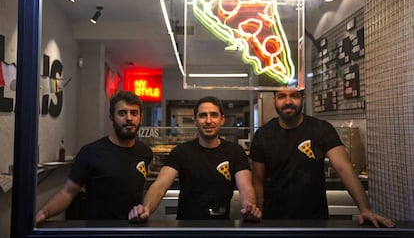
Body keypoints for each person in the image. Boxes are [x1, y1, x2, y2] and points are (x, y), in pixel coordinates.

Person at [249, 89, 395, 227]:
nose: (288, 101)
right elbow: (257, 181)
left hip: (315, 221)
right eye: (282, 96)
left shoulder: (322, 129)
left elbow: (344, 168)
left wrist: (365, 209)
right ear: (274, 100)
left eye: (294, 96)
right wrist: (260, 218)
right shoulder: (263, 135)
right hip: (274, 222)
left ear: (303, 99)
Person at [128, 96, 261, 222]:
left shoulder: (235, 152)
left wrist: (250, 207)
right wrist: (146, 209)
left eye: (214, 115)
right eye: (203, 115)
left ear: (222, 120)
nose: (208, 121)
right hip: (186, 228)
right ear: (195, 120)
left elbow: (246, 188)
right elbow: (160, 186)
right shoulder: (181, 151)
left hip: (221, 228)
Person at [36, 91, 153, 224]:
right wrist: (44, 212)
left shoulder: (145, 152)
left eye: (134, 113)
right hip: (98, 231)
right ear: (111, 117)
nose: (129, 118)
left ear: (140, 117)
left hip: (133, 229)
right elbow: (67, 192)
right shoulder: (90, 152)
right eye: (122, 113)